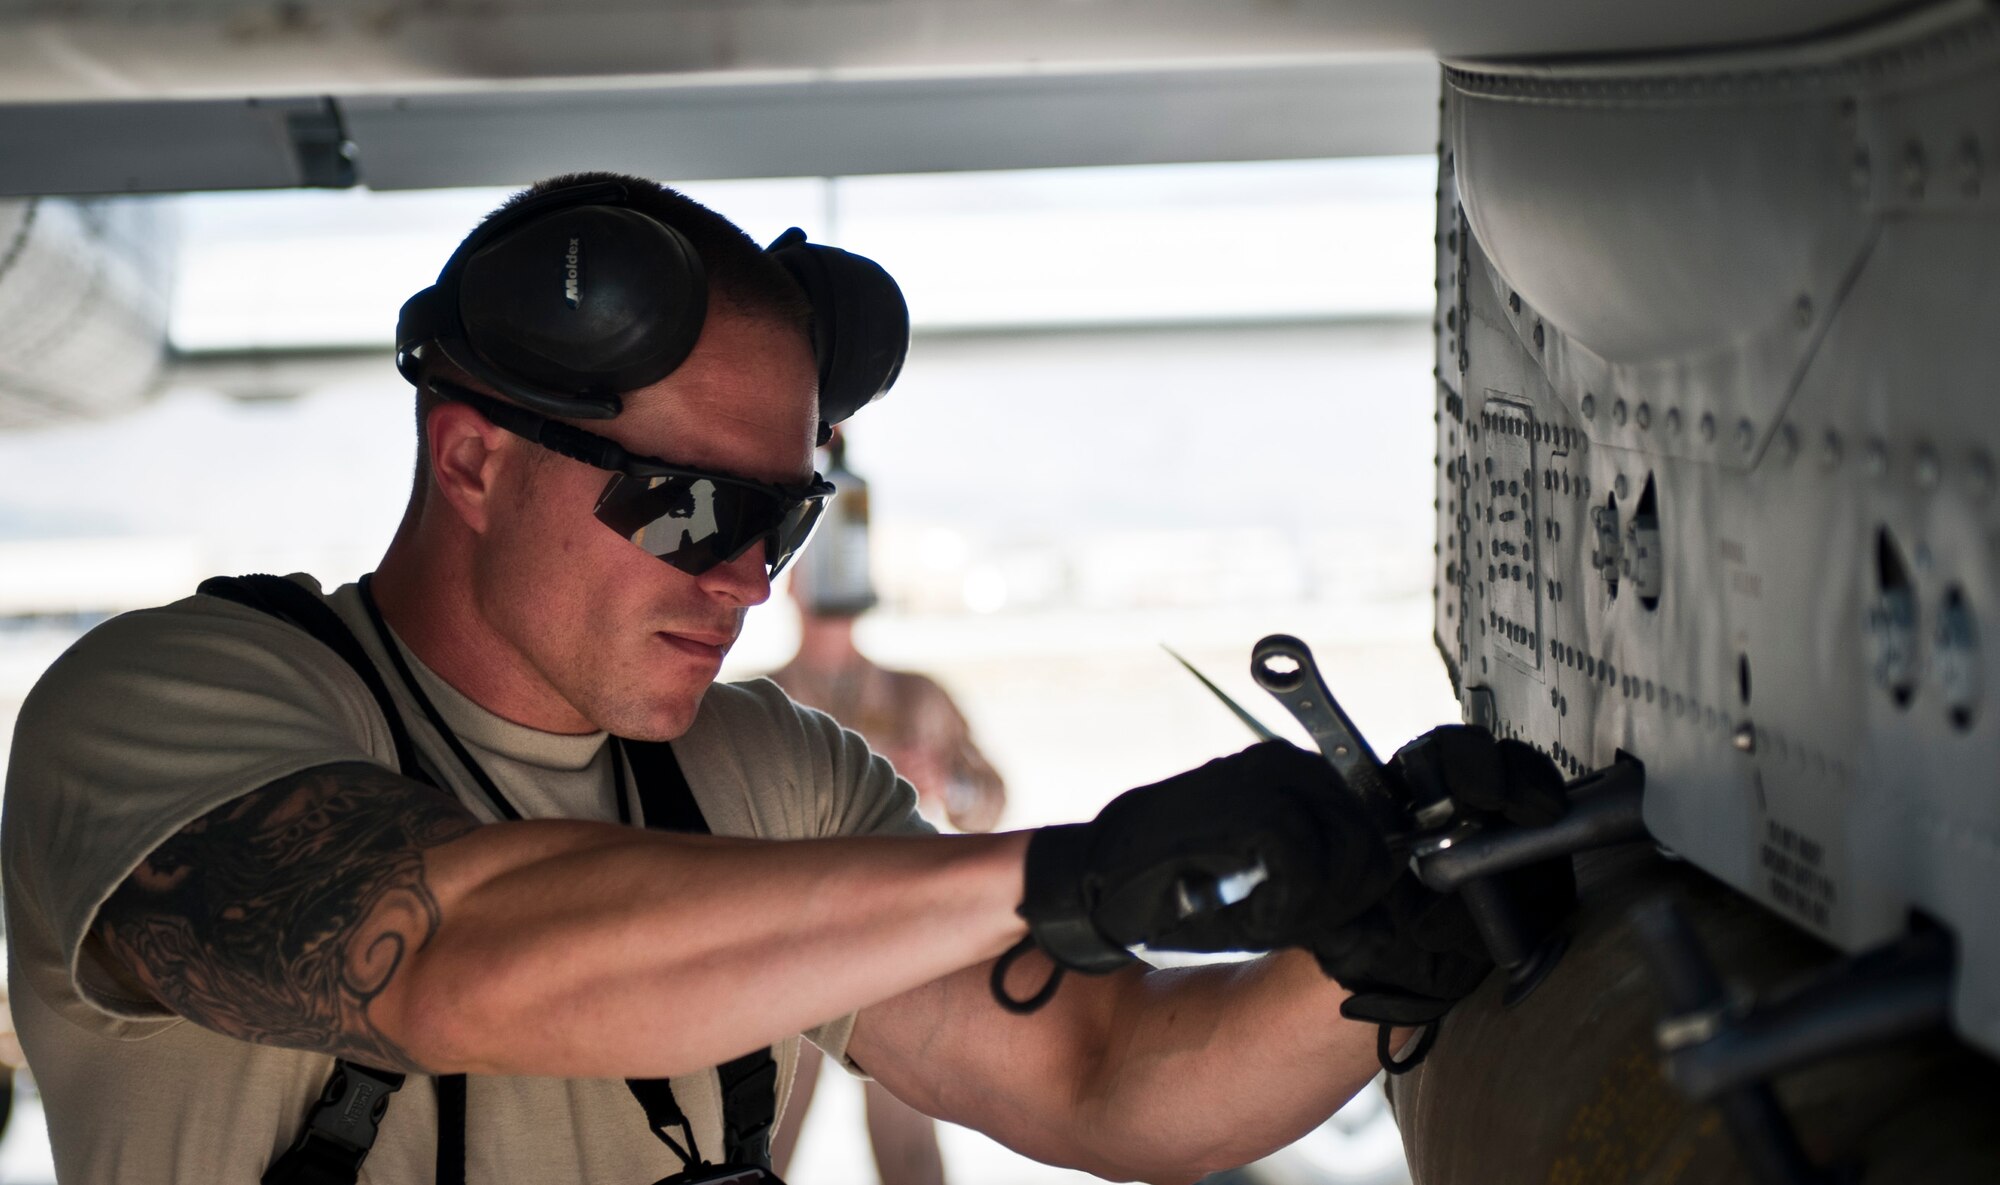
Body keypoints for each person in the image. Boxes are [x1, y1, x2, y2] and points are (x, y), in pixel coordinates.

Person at [1, 172, 1539, 1184]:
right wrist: (1066, 871)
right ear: (471, 457)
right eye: (692, 508)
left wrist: (1388, 935)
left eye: (785, 516)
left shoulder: (784, 779)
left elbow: (1108, 1073)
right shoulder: (170, 703)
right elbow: (446, 955)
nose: (746, 575)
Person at [768, 433, 1004, 1184]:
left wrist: (944, 781)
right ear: (793, 584)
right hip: (790, 952)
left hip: (901, 944)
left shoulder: (917, 697)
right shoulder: (756, 703)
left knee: (909, 1149)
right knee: (766, 1138)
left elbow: (987, 804)